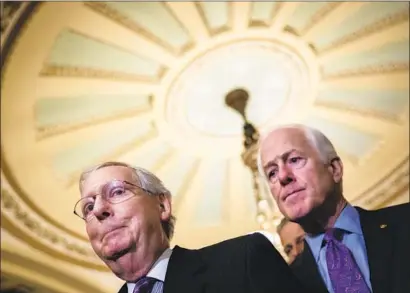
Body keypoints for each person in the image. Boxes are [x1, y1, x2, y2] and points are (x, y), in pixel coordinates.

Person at [74, 161, 308, 293]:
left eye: (117, 192)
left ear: (162, 205)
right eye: (88, 207)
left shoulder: (244, 260)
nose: (98, 210)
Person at [258, 124, 410, 293]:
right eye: (272, 172)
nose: (282, 176)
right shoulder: (284, 284)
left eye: (294, 160)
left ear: (334, 169)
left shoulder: (405, 221)